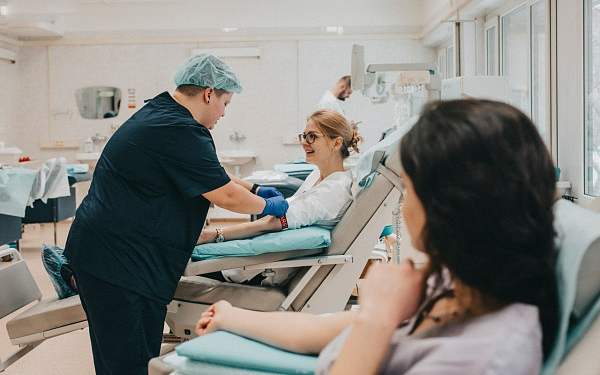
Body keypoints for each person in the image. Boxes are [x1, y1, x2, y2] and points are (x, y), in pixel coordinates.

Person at [194, 99, 559, 374]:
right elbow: (321, 329)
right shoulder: (456, 286)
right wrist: (231, 316)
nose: (404, 204)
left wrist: (378, 316)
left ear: (448, 205)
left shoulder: (486, 356)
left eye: (409, 188)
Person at [61, 53, 289, 375]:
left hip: (111, 254)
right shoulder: (180, 129)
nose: (224, 113)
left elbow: (211, 172)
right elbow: (224, 194)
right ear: (209, 94)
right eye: (225, 103)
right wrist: (269, 207)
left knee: (127, 359)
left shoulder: (164, 114)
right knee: (132, 365)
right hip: (120, 263)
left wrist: (254, 189)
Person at [196, 108, 363, 284]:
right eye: (304, 136)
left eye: (312, 136)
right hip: (256, 263)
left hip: (261, 272)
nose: (304, 142)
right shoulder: (318, 175)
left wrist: (213, 235)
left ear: (336, 143)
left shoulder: (333, 192)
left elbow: (271, 223)